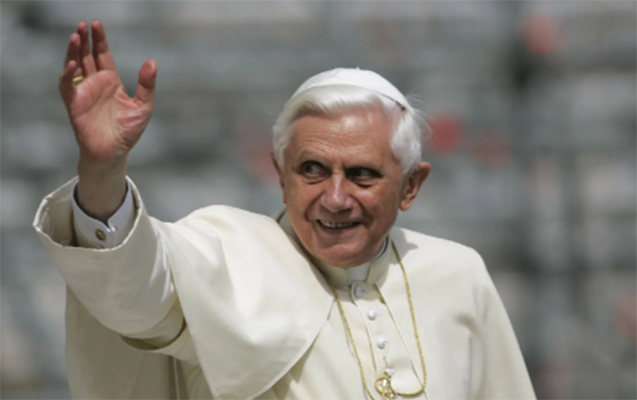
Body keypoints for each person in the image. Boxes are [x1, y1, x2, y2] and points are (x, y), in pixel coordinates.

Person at [34, 20, 536, 400]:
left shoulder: (459, 274)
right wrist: (103, 169)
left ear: (411, 186)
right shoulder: (228, 257)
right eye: (312, 170)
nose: (334, 198)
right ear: (280, 175)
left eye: (362, 174)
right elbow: (130, 290)